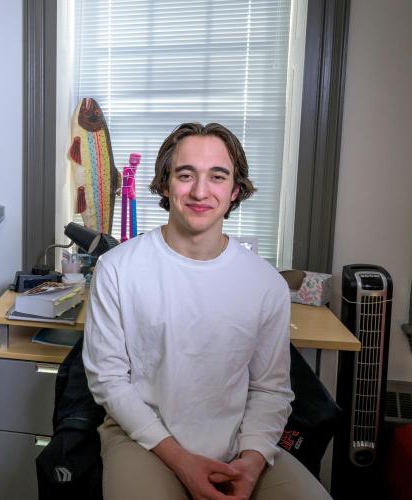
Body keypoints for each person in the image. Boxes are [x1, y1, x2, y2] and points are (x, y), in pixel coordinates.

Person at [82, 122, 330, 499]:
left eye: (218, 176)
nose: (200, 191)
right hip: (142, 437)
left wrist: (252, 460)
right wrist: (182, 460)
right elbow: (109, 380)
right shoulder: (118, 269)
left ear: (235, 191)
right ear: (165, 185)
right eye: (185, 175)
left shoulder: (266, 285)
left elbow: (270, 390)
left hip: (237, 440)